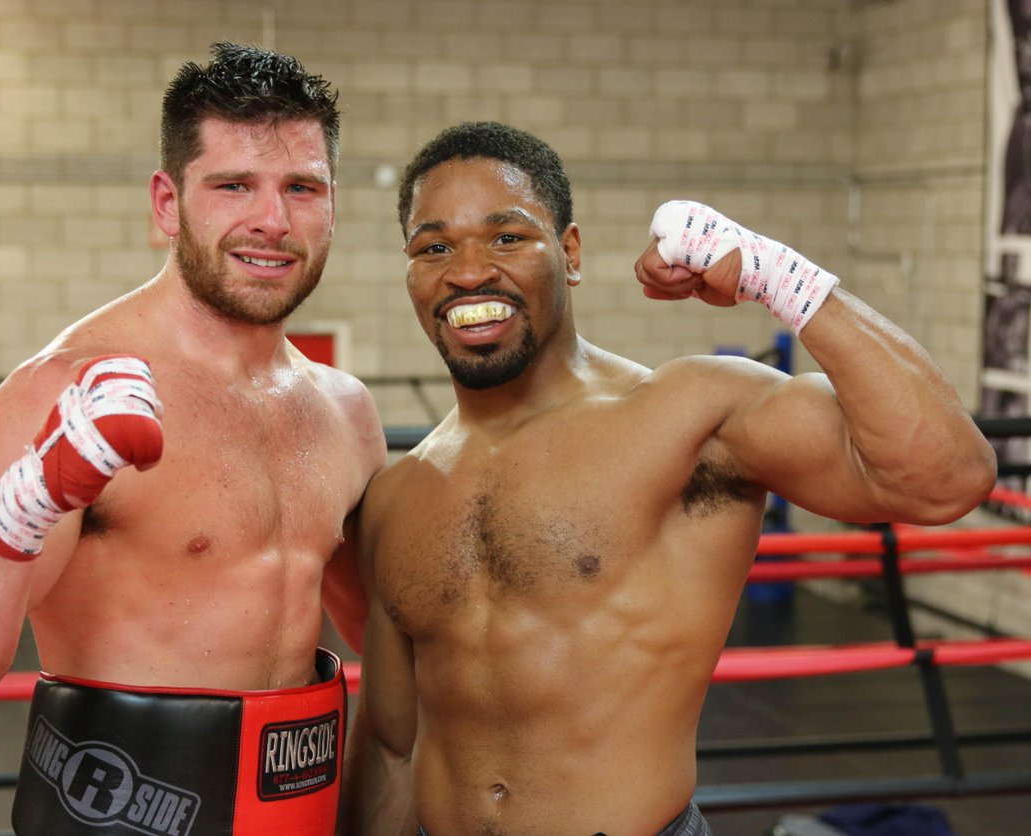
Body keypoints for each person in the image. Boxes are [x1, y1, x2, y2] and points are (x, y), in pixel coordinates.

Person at [340, 121, 997, 836]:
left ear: (570, 252)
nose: (467, 272)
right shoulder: (396, 498)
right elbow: (392, 748)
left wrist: (778, 278)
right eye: (433, 247)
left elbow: (946, 476)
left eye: (506, 237)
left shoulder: (687, 417)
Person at [0, 43, 387, 836]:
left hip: (302, 819)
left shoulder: (345, 411)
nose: (272, 220)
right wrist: (33, 493)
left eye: (301, 187)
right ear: (166, 204)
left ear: (333, 204)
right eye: (232, 186)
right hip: (117, 817)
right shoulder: (64, 391)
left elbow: (385, 634)